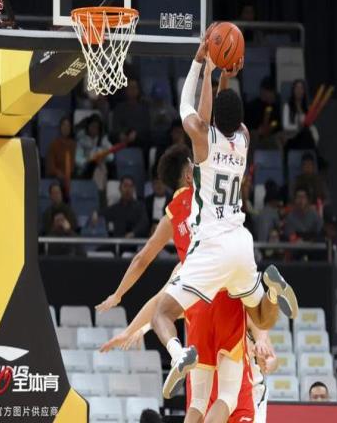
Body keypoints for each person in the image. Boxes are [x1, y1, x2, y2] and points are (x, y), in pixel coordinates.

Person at [151, 36, 298, 420]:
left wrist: (202, 63)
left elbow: (189, 108)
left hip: (212, 247)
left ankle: (177, 354)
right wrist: (225, 74)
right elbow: (222, 115)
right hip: (241, 244)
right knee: (261, 317)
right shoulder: (244, 139)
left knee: (161, 315)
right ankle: (272, 288)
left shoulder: (202, 141)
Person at [96, 143, 279, 423]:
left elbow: (144, 264)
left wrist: (121, 301)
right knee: (227, 396)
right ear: (189, 173)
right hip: (227, 292)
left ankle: (176, 353)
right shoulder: (208, 196)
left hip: (196, 300)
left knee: (197, 402)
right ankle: (274, 294)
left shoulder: (171, 216)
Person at [75, 114, 116, 194]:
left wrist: (102, 155)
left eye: (96, 127)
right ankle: (97, 191)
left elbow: (111, 156)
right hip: (86, 168)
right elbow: (78, 159)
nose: (94, 129)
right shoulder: (82, 141)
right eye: (92, 126)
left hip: (101, 165)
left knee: (102, 167)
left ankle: (99, 192)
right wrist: (89, 159)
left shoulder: (103, 140)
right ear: (88, 127)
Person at [245, 77, 282, 153]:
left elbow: (276, 122)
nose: (271, 95)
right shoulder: (253, 106)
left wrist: (271, 127)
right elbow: (248, 123)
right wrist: (258, 131)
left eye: (272, 93)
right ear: (263, 91)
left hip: (271, 134)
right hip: (256, 134)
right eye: (268, 92)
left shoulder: (275, 106)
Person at [112, 78, 151, 148]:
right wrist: (120, 133)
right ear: (126, 91)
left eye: (134, 88)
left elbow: (146, 126)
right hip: (122, 141)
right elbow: (115, 125)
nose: (132, 91)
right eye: (130, 88)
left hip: (139, 141)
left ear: (138, 90)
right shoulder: (119, 108)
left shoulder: (144, 108)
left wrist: (136, 133)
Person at [283, 79, 319, 150]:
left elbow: (310, 125)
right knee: (305, 134)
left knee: (307, 133)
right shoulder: (287, 106)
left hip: (307, 137)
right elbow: (285, 126)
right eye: (297, 88)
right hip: (293, 136)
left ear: (304, 91)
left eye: (301, 88)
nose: (299, 90)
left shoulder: (308, 108)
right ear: (293, 91)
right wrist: (298, 127)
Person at [45, 117, 76, 185]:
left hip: (72, 179)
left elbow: (74, 165)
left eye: (68, 126)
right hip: (57, 179)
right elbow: (50, 167)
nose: (66, 128)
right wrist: (60, 174)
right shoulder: (54, 144)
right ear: (60, 127)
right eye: (64, 125)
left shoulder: (74, 144)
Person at [149, 80, 179, 149]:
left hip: (169, 138)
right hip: (154, 138)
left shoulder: (171, 109)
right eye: (157, 99)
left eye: (161, 99)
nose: (159, 101)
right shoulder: (148, 109)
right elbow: (147, 126)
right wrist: (156, 120)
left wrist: (168, 120)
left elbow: (176, 124)